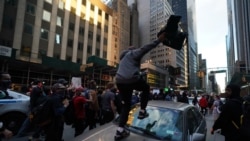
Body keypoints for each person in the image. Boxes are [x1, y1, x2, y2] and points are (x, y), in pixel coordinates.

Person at [114, 31, 167, 140]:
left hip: (120, 81)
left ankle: (119, 130)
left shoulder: (123, 59)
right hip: (130, 80)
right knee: (146, 88)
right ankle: (142, 111)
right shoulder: (133, 53)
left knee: (126, 106)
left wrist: (142, 74)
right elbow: (145, 48)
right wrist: (159, 40)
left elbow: (132, 72)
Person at [0, 72, 13, 140]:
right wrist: (2, 129)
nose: (9, 81)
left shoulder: (4, 92)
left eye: (9, 79)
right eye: (6, 79)